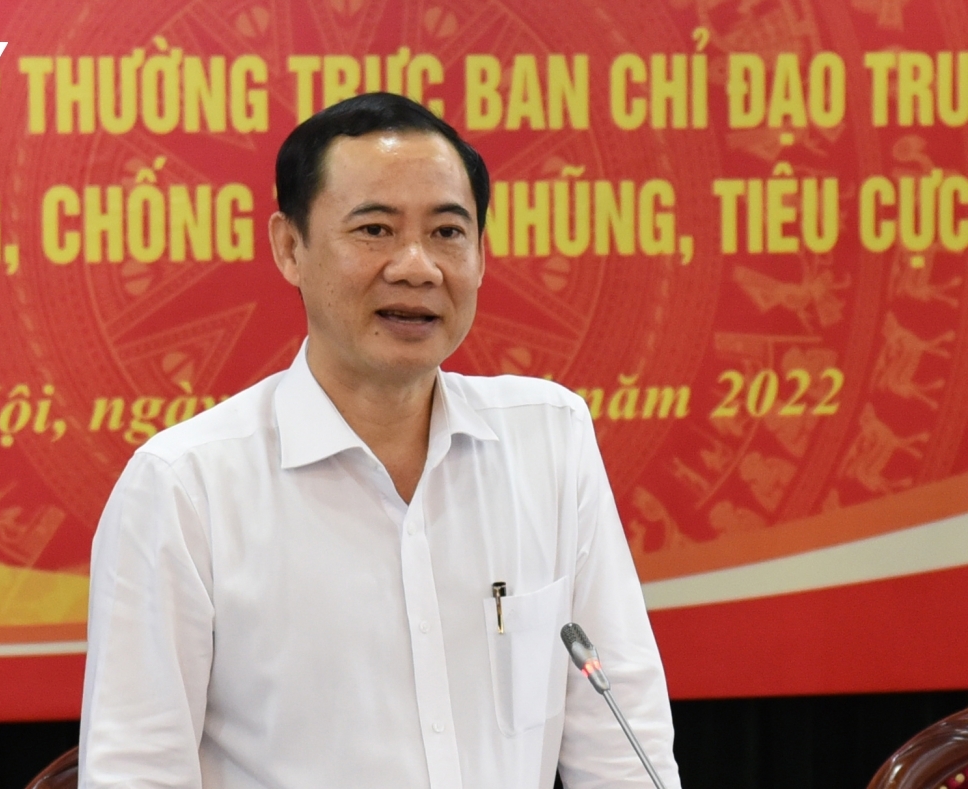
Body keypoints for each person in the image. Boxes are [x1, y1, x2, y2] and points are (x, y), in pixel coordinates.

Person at [79, 92, 682, 789]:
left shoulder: (550, 439)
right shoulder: (185, 487)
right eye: (375, 230)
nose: (417, 267)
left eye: (448, 232)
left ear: (481, 253)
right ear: (290, 248)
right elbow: (137, 773)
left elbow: (622, 748)